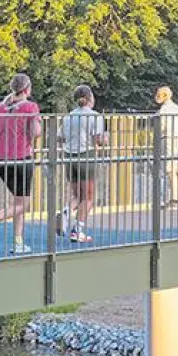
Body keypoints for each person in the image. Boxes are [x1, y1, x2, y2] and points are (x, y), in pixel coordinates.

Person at [0, 73, 43, 254]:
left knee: (17, 202)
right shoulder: (31, 107)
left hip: (2, 160)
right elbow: (36, 132)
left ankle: (18, 242)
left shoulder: (0, 107)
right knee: (24, 204)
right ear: (27, 89)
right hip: (22, 159)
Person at [57, 84, 109, 243]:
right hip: (86, 155)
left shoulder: (68, 117)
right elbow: (98, 140)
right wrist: (106, 138)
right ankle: (77, 230)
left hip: (69, 156)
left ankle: (65, 212)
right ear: (90, 99)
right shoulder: (94, 116)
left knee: (77, 195)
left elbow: (61, 137)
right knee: (88, 197)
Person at [154, 86, 178, 208]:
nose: (156, 97)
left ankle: (173, 199)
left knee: (170, 171)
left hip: (168, 140)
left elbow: (161, 126)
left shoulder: (163, 110)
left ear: (164, 96)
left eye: (158, 95)